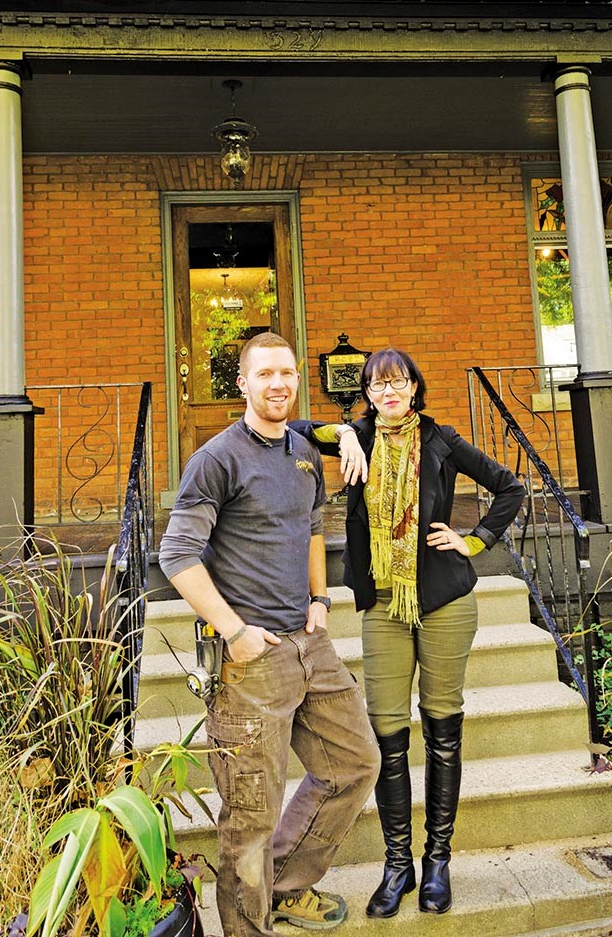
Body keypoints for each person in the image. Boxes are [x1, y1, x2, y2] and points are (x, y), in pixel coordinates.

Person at [158, 332, 380, 937]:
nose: (277, 383)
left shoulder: (303, 449)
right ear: (243, 383)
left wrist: (319, 599)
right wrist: (233, 630)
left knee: (355, 764)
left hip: (310, 643)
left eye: (286, 372)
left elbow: (310, 527)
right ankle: (246, 926)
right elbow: (177, 552)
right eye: (264, 374)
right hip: (252, 661)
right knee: (250, 816)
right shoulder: (217, 458)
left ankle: (281, 887)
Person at [292, 348, 525, 918]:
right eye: (377, 385)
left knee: (443, 729)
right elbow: (294, 424)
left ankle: (438, 860)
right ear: (367, 394)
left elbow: (510, 487)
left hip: (445, 599)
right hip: (384, 607)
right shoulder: (358, 437)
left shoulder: (441, 438)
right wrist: (346, 435)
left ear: (415, 387)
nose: (387, 392)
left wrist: (473, 541)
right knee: (388, 734)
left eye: (397, 382)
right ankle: (399, 865)